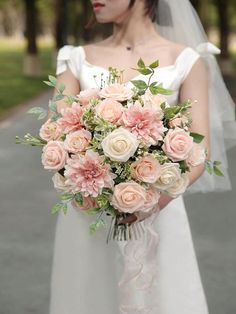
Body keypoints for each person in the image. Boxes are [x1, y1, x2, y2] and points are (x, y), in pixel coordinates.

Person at [48, 0, 235, 313]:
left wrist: (147, 203)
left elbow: (198, 153)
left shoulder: (186, 60)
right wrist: (93, 187)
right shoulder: (75, 58)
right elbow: (55, 134)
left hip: (159, 212)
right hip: (88, 211)